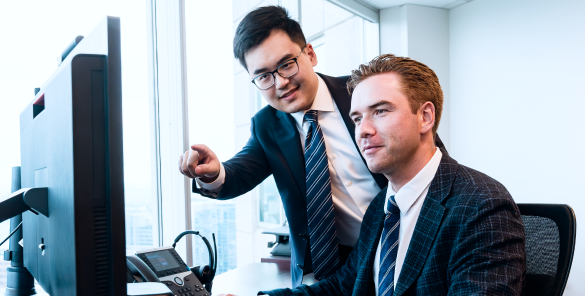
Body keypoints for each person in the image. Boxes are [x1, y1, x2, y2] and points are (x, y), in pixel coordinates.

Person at [178, 6, 446, 287]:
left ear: (310, 54)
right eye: (264, 76)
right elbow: (238, 172)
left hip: (402, 245)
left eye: (286, 64)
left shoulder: (361, 93)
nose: (281, 82)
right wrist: (213, 172)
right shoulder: (267, 125)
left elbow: (428, 157)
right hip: (327, 268)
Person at [260, 54, 526, 295]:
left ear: (425, 117)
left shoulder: (482, 205)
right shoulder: (382, 205)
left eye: (380, 111)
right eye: (356, 119)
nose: (363, 130)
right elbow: (344, 286)